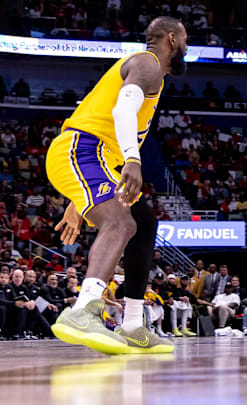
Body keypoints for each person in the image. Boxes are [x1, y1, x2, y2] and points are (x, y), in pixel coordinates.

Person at [47, 16, 188, 355]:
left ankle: (133, 326)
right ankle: (84, 311)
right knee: (120, 222)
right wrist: (133, 159)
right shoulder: (147, 63)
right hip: (82, 149)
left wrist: (76, 201)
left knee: (143, 223)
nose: (186, 48)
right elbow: (123, 110)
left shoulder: (153, 72)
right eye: (185, 40)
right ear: (171, 39)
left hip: (96, 160)